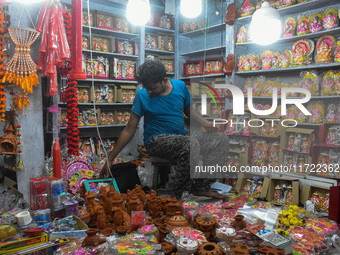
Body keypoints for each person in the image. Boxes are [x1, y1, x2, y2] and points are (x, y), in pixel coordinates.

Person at [100, 60, 229, 199]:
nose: (149, 91)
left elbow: (189, 111)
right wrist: (110, 158)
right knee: (190, 144)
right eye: (146, 87)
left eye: (152, 88)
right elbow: (129, 129)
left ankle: (201, 187)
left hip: (182, 136)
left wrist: (206, 124)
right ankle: (178, 194)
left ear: (164, 80)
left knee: (220, 139)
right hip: (156, 141)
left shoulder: (180, 87)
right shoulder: (142, 96)